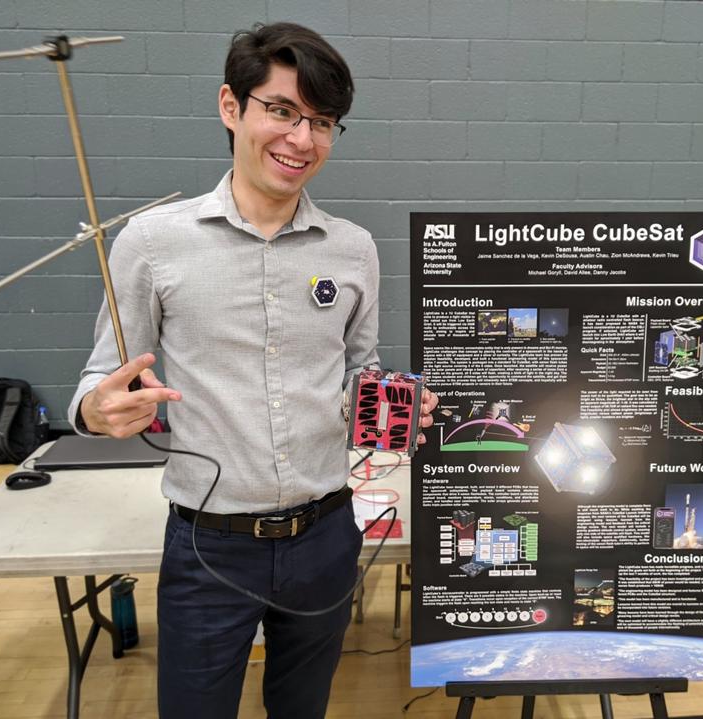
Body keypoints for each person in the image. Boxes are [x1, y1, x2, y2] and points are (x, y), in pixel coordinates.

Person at [68, 22, 438, 719]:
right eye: (281, 110)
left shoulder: (354, 249)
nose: (302, 138)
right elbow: (100, 378)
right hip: (210, 547)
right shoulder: (152, 242)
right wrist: (96, 410)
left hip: (328, 535)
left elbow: (359, 372)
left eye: (323, 122)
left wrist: (392, 405)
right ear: (231, 107)